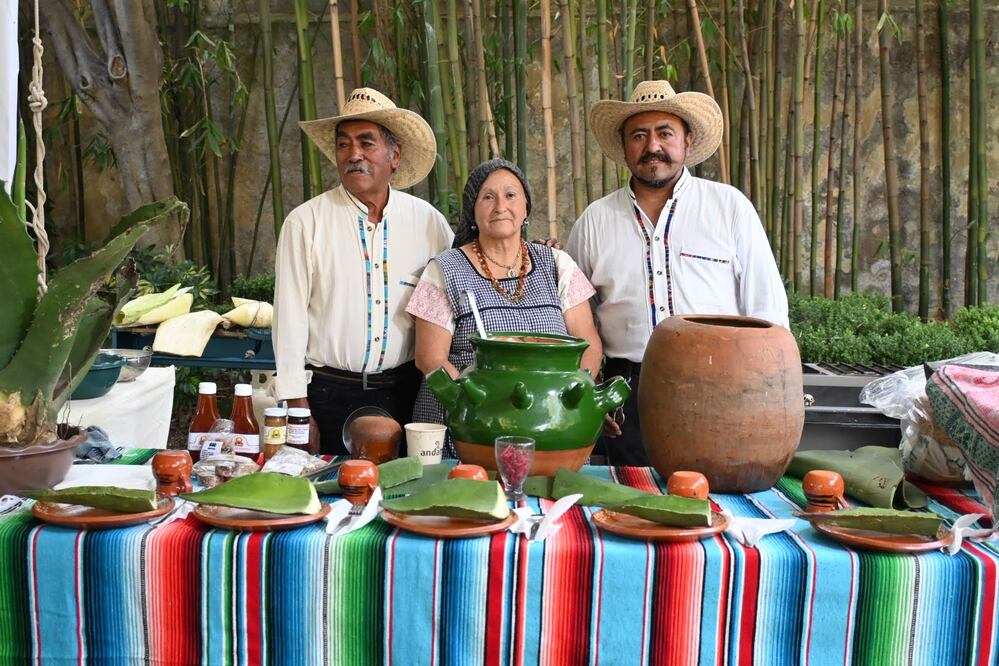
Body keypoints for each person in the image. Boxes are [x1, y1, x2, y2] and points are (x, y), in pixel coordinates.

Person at [566, 80, 789, 466]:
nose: (652, 146)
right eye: (639, 135)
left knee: (718, 492)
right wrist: (589, 390)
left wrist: (766, 391)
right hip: (627, 393)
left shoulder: (729, 208)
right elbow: (572, 320)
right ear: (624, 146)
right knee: (633, 494)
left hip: (724, 384)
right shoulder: (594, 222)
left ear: (688, 139)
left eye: (665, 133)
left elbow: (767, 309)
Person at [273, 88, 454, 454]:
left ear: (395, 155)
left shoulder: (429, 223)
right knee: (328, 485)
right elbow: (289, 319)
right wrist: (297, 408)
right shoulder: (305, 222)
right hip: (326, 394)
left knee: (408, 486)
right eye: (344, 144)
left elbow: (465, 282)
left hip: (407, 394)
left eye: (366, 143)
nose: (353, 154)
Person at [407, 159, 602, 457]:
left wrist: (573, 400)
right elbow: (430, 359)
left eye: (511, 195)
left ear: (526, 208)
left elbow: (588, 342)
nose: (500, 206)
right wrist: (482, 407)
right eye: (488, 197)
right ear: (472, 211)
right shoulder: (444, 269)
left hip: (548, 422)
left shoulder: (557, 264)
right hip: (466, 424)